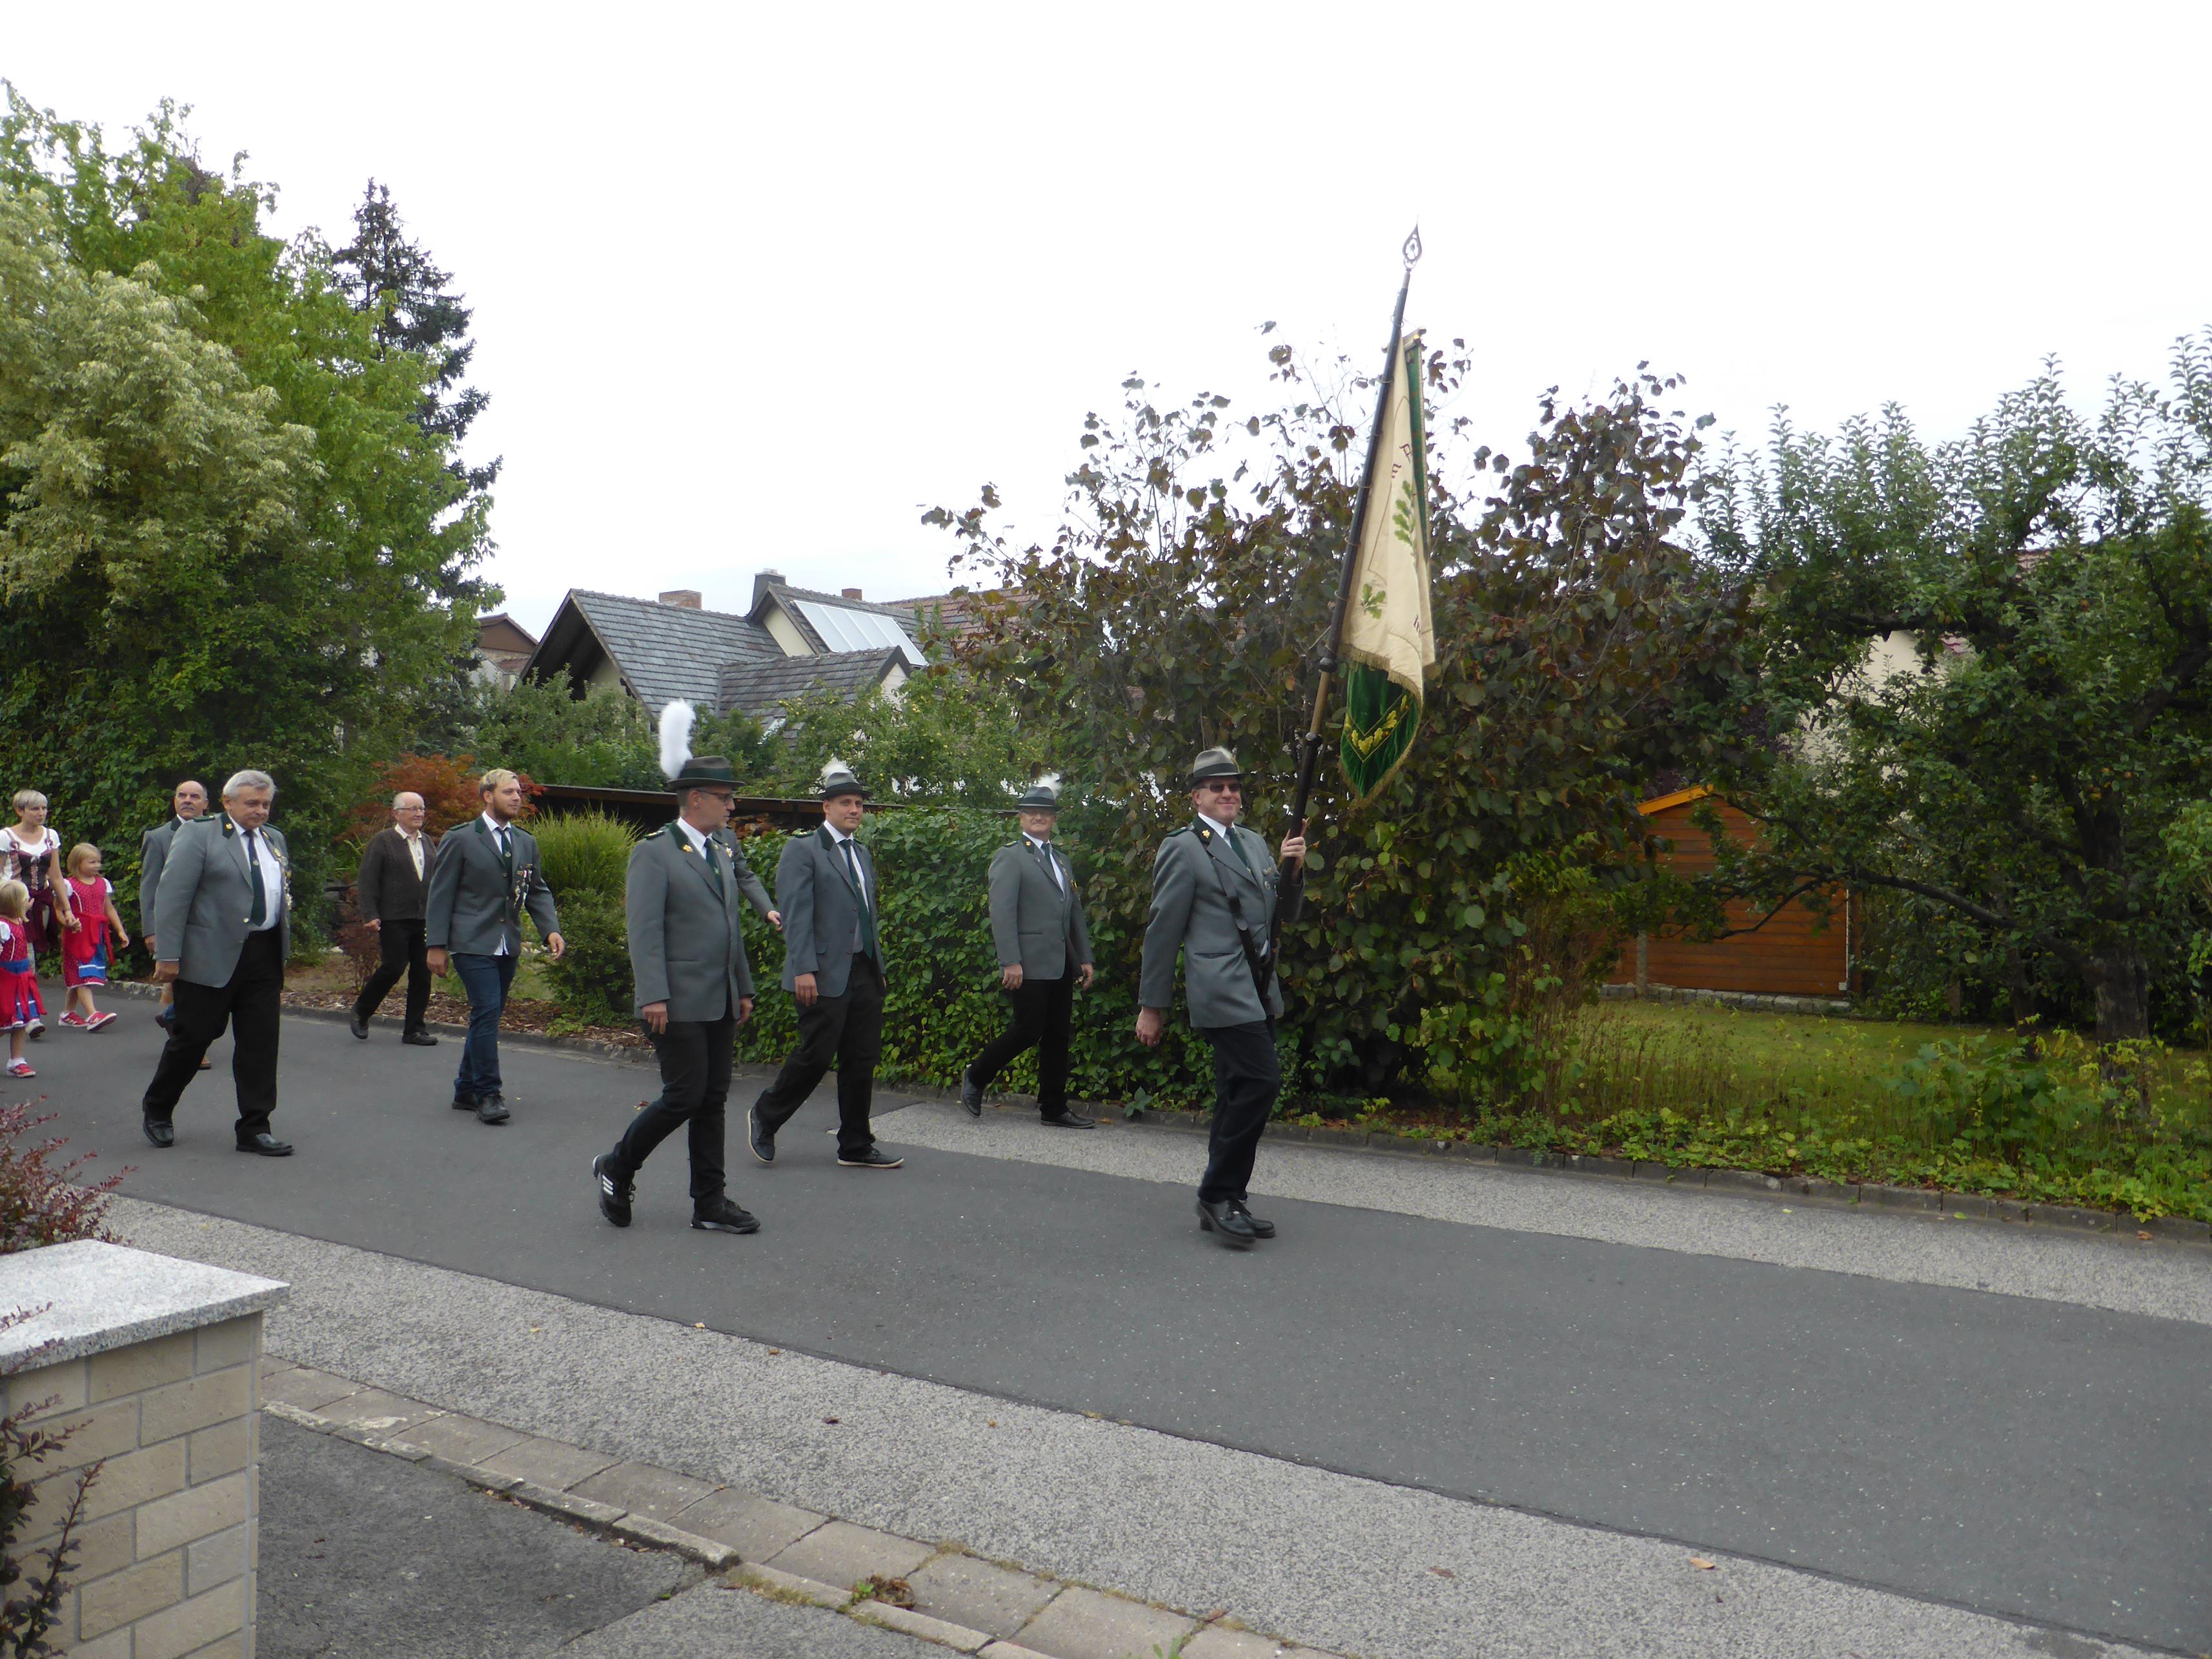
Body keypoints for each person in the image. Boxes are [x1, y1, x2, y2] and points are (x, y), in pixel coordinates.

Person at [1135, 747, 1306, 1250]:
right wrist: (1152, 1006)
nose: (1228, 793)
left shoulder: (1253, 843)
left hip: (1257, 986)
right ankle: (1216, 1194)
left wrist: (1294, 869)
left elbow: (1284, 915)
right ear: (1197, 797)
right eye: (1217, 787)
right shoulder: (1184, 848)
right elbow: (1162, 931)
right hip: (1219, 989)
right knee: (1261, 1081)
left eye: (1233, 786)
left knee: (1235, 1090)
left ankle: (1228, 1198)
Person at [594, 750, 761, 1234]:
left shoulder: (720, 850)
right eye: (725, 797)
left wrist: (742, 987)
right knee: (685, 1095)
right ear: (696, 798)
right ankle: (618, 1165)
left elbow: (730, 928)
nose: (732, 806)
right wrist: (652, 995)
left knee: (712, 1099)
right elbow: (644, 930)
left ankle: (709, 1203)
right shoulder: (655, 851)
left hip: (719, 995)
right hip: (675, 998)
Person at [747, 760, 901, 1171]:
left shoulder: (861, 853)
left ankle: (855, 1144)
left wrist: (878, 966)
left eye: (859, 804)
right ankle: (766, 1114)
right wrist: (803, 968)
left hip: (863, 969)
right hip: (820, 971)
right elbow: (796, 915)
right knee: (816, 1055)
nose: (855, 810)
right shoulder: (803, 850)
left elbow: (866, 914)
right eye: (846, 803)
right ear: (826, 808)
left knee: (861, 1058)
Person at [141, 769, 297, 1156]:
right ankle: (158, 1107)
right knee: (194, 1037)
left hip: (263, 954)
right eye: (252, 803)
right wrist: (168, 955)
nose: (260, 811)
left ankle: (255, 1127)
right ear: (227, 802)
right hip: (209, 953)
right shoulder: (199, 835)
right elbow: (173, 895)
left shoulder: (274, 839)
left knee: (260, 1043)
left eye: (266, 804)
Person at [424, 769, 564, 1126]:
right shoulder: (461, 839)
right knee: (486, 1010)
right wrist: (436, 945)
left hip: (507, 943)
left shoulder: (525, 842)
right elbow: (441, 894)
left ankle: (465, 1089)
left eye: (519, 792)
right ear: (487, 796)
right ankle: (488, 1093)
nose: (517, 798)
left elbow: (536, 890)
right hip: (471, 941)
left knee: (487, 1016)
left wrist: (550, 929)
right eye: (509, 792)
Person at [960, 778, 1097, 1128]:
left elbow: (1075, 912)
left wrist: (1084, 957)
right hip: (1027, 963)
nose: (1039, 817)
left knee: (1058, 1035)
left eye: (1045, 812)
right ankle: (976, 1075)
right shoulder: (1011, 857)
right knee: (1028, 1029)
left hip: (1061, 962)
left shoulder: (1062, 860)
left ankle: (1053, 1107)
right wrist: (1010, 960)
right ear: (1021, 817)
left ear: (1054, 819)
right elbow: (1001, 911)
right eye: (1031, 811)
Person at [350, 792, 441, 1046]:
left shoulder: (427, 842)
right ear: (396, 814)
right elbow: (368, 879)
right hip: (394, 917)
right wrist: (370, 914)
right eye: (413, 809)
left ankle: (414, 1030)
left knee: (423, 972)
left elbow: (434, 880)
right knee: (394, 967)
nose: (419, 813)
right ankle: (361, 1011)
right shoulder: (383, 841)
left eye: (422, 808)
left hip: (423, 918)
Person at [140, 780, 209, 1039]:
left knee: (191, 986)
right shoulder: (158, 838)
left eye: (195, 796)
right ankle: (183, 1036)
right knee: (185, 985)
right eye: (182, 795)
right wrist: (151, 931)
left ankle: (172, 1020)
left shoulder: (218, 835)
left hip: (210, 925)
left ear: (206, 804)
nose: (188, 800)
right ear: (175, 801)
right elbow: (150, 887)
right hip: (175, 926)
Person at [2, 792, 74, 1023]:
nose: (41, 813)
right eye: (35, 809)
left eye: (44, 808)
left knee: (28, 957)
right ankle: (28, 1016)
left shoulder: (51, 836)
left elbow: (55, 875)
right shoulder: (6, 837)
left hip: (39, 904)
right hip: (11, 905)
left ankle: (24, 1012)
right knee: (22, 958)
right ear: (20, 811)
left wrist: (67, 908)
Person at [57, 843, 125, 1030]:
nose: (97, 866)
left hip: (96, 934)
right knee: (83, 974)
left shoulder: (103, 883)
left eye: (98, 862)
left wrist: (120, 930)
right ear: (77, 863)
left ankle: (67, 1013)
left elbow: (108, 909)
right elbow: (58, 909)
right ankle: (93, 1014)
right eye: (92, 862)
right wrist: (68, 923)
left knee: (81, 974)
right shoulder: (68, 885)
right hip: (77, 935)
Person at [0, 882, 43, 1079]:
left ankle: (16, 1060)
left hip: (22, 977)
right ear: (16, 904)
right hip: (6, 979)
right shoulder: (3, 926)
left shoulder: (18, 921)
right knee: (4, 1020)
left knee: (20, 1021)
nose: (30, 902)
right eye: (26, 899)